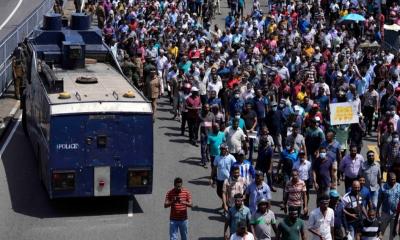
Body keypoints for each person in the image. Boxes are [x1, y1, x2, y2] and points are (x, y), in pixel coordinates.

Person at [377, 172, 400, 240]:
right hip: (385, 213)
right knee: (381, 231)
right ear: (387, 179)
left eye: (394, 179)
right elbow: (379, 200)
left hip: (395, 214)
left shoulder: (399, 186)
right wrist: (377, 210)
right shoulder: (383, 188)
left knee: (393, 232)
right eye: (391, 179)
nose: (393, 181)